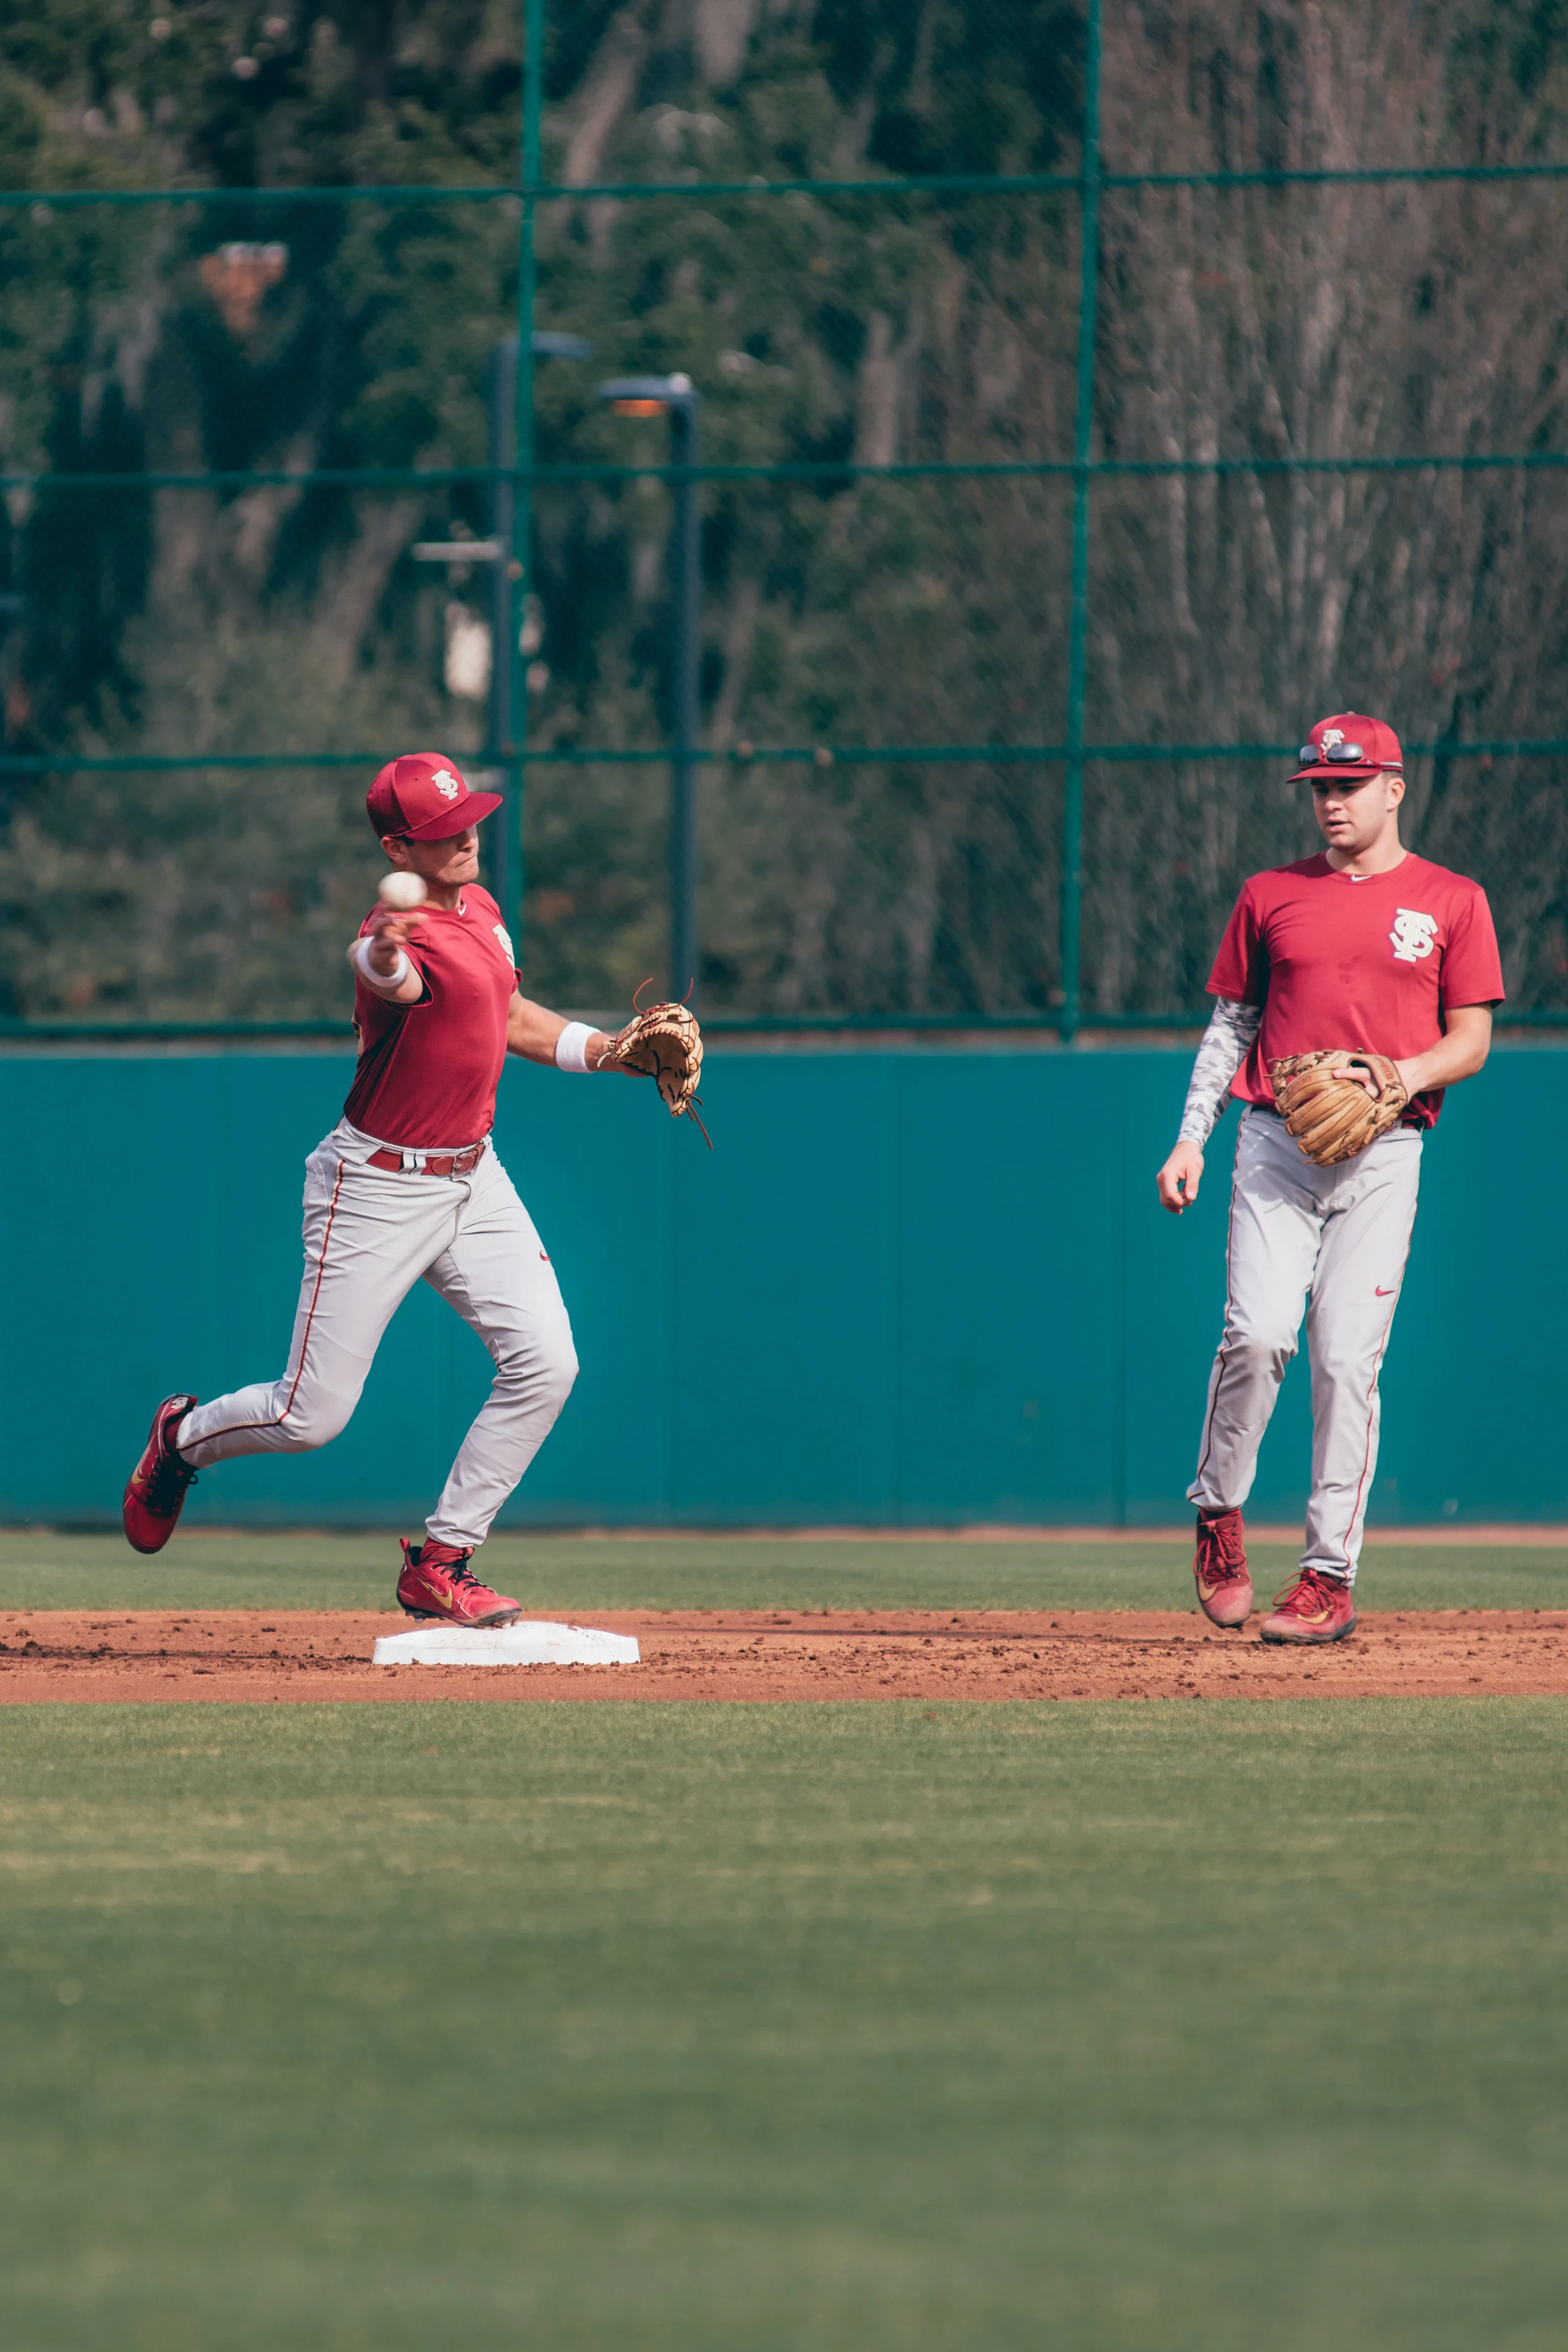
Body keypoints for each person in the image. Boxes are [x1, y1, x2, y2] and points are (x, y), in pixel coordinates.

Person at [122, 752, 632, 1626]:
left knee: (549, 1363)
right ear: (397, 847)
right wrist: (383, 954)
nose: (467, 836)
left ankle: (442, 1560)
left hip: (473, 1178)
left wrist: (610, 1050)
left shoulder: (481, 909)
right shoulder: (396, 937)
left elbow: (509, 1016)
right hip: (376, 1187)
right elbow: (384, 971)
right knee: (308, 1415)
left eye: (469, 818)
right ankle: (179, 1440)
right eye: (443, 830)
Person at [1155, 713, 1503, 1643]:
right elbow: (1231, 1028)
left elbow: (1472, 1039)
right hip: (1275, 1143)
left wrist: (1402, 1075)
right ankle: (1219, 1510)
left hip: (1386, 1150)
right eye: (1319, 788)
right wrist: (1191, 1140)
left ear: (1394, 788)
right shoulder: (1270, 893)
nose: (1331, 803)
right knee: (1259, 1334)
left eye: (1348, 786)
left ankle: (1328, 1578)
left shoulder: (1452, 900)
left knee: (1348, 1360)